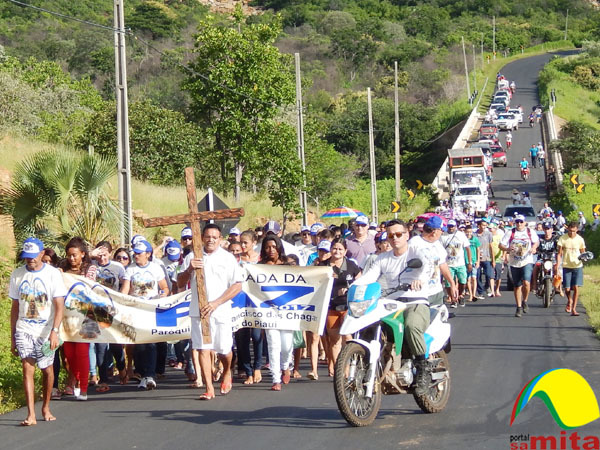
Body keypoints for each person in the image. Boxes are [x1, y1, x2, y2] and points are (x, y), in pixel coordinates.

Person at [177, 224, 243, 400]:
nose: (211, 240)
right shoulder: (192, 257)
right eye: (208, 236)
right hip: (199, 312)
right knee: (203, 349)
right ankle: (208, 388)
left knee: (224, 349)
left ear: (220, 239)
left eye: (215, 237)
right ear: (202, 238)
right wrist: (190, 268)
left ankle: (227, 371)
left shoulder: (228, 258)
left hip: (220, 311)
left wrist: (216, 303)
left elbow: (237, 285)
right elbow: (180, 282)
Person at [395, 216, 457, 394]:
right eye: (439, 231)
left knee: (424, 330)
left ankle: (425, 363)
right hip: (414, 293)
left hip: (435, 293)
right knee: (410, 328)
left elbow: (442, 265)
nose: (440, 233)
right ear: (435, 231)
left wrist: (451, 283)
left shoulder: (437, 246)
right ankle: (412, 360)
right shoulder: (414, 243)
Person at [9, 237, 65, 426]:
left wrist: (55, 331)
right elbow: (15, 307)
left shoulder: (53, 274)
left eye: (33, 256)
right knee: (27, 368)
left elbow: (59, 305)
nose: (30, 260)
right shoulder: (17, 275)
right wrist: (13, 337)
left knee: (47, 370)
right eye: (27, 257)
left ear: (42, 254)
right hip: (24, 328)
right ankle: (31, 414)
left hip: (46, 330)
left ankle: (46, 407)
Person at [120, 239, 169, 391]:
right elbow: (125, 289)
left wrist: (163, 295)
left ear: (147, 254)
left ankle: (151, 374)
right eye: (135, 253)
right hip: (136, 310)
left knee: (152, 342)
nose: (136, 256)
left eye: (139, 254)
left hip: (152, 309)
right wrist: (119, 301)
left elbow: (165, 287)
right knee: (139, 344)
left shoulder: (156, 268)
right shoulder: (130, 269)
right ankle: (141, 373)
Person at [59, 237, 96, 401]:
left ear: (82, 254)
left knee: (82, 352)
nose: (71, 258)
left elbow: (89, 286)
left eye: (74, 255)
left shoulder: (90, 268)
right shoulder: (61, 268)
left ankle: (83, 387)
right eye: (69, 255)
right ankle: (76, 378)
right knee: (69, 354)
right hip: (68, 318)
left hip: (86, 316)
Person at [257, 234, 294, 391]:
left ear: (279, 247)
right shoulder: (259, 266)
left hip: (286, 311)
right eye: (267, 247)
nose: (271, 250)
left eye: (274, 246)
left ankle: (286, 365)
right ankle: (275, 378)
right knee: (273, 344)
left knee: (286, 345)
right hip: (268, 311)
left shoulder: (289, 265)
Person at [318, 238, 361, 377]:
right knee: (334, 339)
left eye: (340, 249)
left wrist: (350, 290)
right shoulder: (323, 265)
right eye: (334, 248)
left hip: (348, 306)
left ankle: (349, 368)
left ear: (345, 251)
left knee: (347, 337)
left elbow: (360, 282)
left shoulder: (351, 266)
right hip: (331, 306)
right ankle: (339, 371)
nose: (337, 251)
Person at [499, 214, 539, 317]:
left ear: (525, 222)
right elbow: (501, 245)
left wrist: (534, 248)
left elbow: (536, 242)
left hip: (527, 260)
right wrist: (507, 249)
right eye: (517, 222)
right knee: (517, 285)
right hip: (514, 262)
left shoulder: (530, 232)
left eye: (521, 222)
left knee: (526, 282)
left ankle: (525, 300)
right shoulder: (510, 232)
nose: (519, 224)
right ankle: (519, 307)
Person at [557, 222, 587, 316]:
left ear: (577, 230)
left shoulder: (580, 239)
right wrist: (557, 266)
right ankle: (569, 300)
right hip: (566, 266)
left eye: (574, 231)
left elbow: (583, 252)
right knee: (567, 288)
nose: (572, 233)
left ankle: (574, 308)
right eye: (570, 230)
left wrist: (585, 258)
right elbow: (559, 253)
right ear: (567, 229)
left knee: (576, 287)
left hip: (577, 266)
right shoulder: (563, 238)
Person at [440, 220, 472, 307]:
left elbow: (467, 248)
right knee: (448, 283)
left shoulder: (461, 235)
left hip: (460, 263)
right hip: (448, 264)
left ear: (455, 226)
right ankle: (453, 299)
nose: (451, 228)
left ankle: (460, 295)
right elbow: (439, 249)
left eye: (453, 226)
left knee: (463, 281)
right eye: (449, 226)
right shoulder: (443, 236)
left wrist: (469, 262)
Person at [531, 221, 558, 293]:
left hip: (552, 259)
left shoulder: (556, 239)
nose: (547, 231)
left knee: (557, 269)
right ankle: (535, 285)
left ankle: (558, 286)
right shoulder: (540, 239)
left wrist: (560, 250)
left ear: (552, 229)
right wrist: (534, 249)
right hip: (541, 259)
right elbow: (535, 245)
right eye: (545, 229)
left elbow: (560, 247)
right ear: (543, 229)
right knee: (535, 267)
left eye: (548, 229)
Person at [475, 220, 495, 300]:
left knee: (488, 274)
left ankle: (487, 286)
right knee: (478, 275)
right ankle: (480, 292)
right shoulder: (474, 235)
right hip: (477, 258)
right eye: (482, 225)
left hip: (486, 257)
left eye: (485, 225)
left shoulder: (488, 234)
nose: (484, 227)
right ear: (479, 225)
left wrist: (493, 260)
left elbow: (491, 246)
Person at [489, 220, 504, 297]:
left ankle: (497, 289)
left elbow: (503, 246)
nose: (490, 230)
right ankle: (492, 291)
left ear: (495, 228)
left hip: (498, 258)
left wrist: (504, 255)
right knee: (491, 275)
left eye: (491, 228)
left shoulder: (499, 236)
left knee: (498, 276)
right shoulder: (488, 236)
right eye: (489, 228)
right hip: (489, 258)